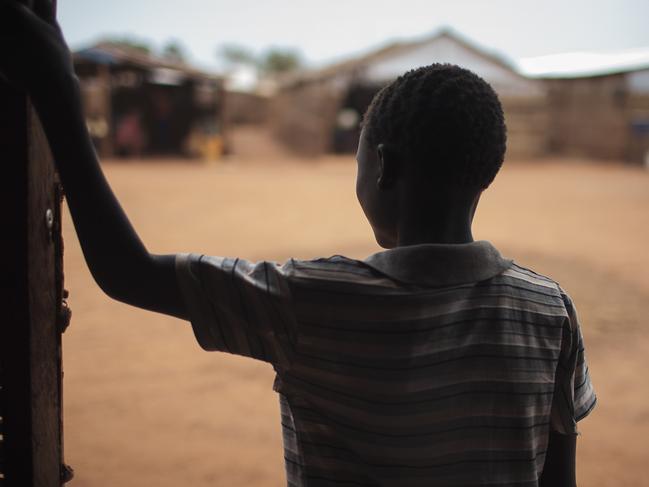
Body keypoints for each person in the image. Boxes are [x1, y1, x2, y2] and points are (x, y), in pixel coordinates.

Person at [0, 2, 596, 486]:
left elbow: (124, 271)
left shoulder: (309, 303)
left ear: (382, 168)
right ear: (485, 172)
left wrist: (58, 95)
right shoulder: (551, 312)